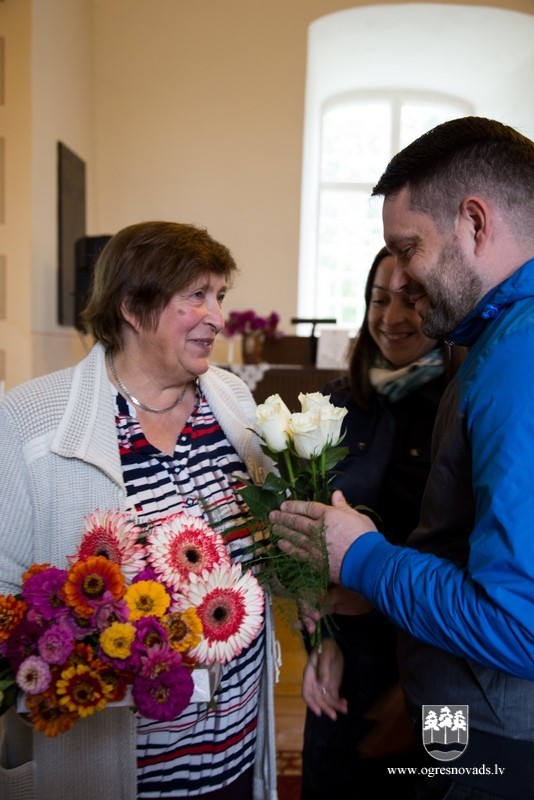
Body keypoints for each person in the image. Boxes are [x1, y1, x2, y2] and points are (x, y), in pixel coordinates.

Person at [271, 117, 534, 800]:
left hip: (495, 729)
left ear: (475, 221)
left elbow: (520, 622)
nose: (406, 282)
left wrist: (361, 556)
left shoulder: (518, 356)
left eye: (408, 248)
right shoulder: (497, 340)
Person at [0, 221, 278, 800]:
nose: (218, 317)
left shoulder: (232, 399)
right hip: (121, 771)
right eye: (196, 296)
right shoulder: (31, 421)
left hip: (235, 753)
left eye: (219, 295)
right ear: (132, 306)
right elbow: (7, 600)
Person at [299, 245, 451, 799]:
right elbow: (308, 533)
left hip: (439, 660)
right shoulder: (337, 405)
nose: (390, 317)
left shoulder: (463, 406)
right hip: (347, 659)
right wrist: (319, 641)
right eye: (378, 299)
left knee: (440, 780)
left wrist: (421, 686)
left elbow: (467, 553)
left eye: (411, 301)